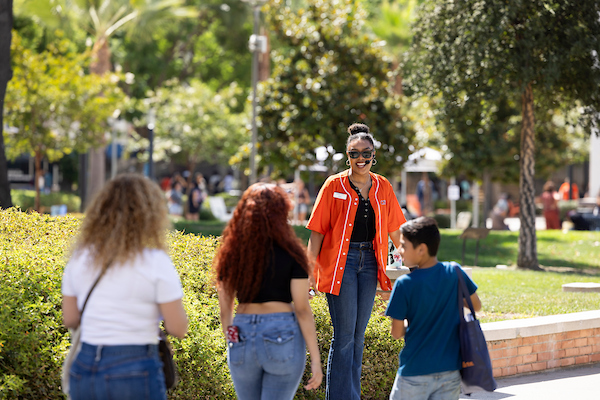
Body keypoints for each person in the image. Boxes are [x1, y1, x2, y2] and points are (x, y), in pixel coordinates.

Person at [62, 174, 189, 400]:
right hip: (136, 366)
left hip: (86, 364)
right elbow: (178, 328)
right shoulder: (155, 261)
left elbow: (70, 319)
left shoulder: (81, 258)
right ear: (151, 215)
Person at [306, 123, 406, 400]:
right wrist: (308, 271)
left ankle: (351, 396)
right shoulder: (333, 185)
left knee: (358, 337)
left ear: (374, 155)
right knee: (345, 337)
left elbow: (396, 230)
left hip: (370, 263)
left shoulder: (383, 185)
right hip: (342, 264)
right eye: (354, 153)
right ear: (347, 155)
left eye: (366, 153)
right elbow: (317, 232)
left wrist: (416, 261)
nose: (360, 159)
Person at [214, 183, 322, 400]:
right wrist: (316, 360)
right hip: (282, 332)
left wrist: (232, 340)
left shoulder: (231, 253)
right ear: (281, 212)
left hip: (242, 332)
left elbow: (225, 311)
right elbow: (302, 309)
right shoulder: (292, 253)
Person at [385, 217, 481, 400]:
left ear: (421, 249)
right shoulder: (455, 272)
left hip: (415, 371)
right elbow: (476, 305)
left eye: (404, 245)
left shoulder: (405, 284)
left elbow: (396, 333)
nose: (399, 250)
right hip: (450, 372)